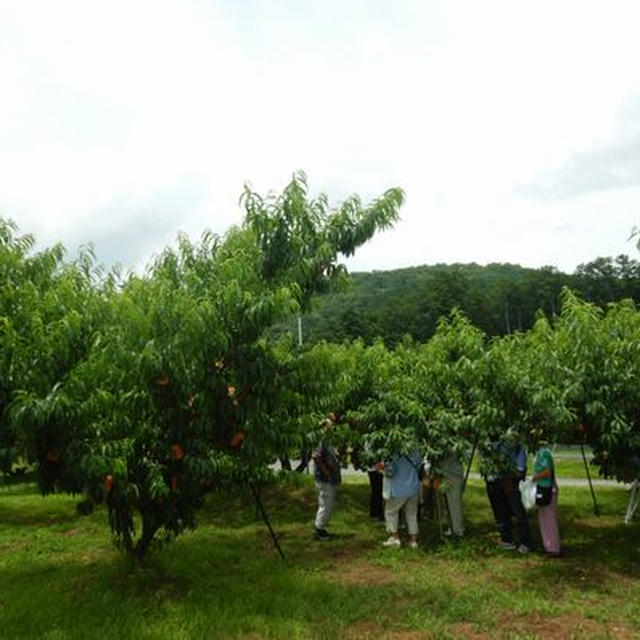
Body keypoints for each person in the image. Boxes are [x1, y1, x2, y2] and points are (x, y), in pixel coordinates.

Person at [381, 450, 422, 549]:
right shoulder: (414, 451)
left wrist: (382, 470)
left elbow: (390, 471)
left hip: (398, 488)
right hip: (413, 487)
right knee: (412, 514)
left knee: (391, 512)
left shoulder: (393, 452)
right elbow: (419, 466)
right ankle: (413, 541)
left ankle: (394, 538)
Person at [312, 416, 341, 541]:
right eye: (330, 426)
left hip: (330, 478)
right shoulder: (322, 440)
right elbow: (316, 456)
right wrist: (327, 472)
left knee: (327, 504)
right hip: (325, 479)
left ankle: (321, 528)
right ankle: (319, 529)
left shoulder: (329, 441)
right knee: (325, 504)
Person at [532, 442, 561, 557]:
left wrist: (535, 478)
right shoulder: (540, 453)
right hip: (542, 487)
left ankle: (553, 548)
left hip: (548, 488)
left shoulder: (544, 453)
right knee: (543, 517)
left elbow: (547, 472)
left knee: (549, 519)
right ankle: (548, 545)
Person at [441, 451, 465, 538]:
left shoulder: (455, 443)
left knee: (454, 504)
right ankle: (452, 527)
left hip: (453, 474)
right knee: (447, 504)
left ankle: (458, 531)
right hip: (445, 473)